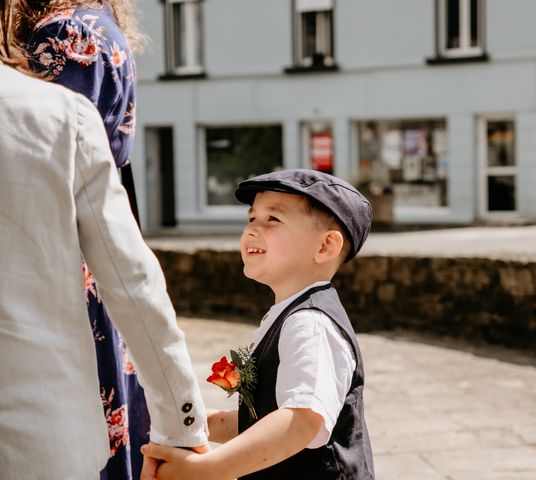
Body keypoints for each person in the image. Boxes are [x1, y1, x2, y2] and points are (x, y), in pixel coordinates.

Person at [0, 3, 208, 478]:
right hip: (41, 431)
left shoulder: (68, 36)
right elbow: (135, 284)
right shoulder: (80, 52)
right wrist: (183, 430)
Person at [142, 169, 376, 479]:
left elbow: (303, 420)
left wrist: (209, 469)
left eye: (272, 220)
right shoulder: (288, 315)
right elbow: (266, 415)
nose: (252, 230)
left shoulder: (311, 323)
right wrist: (200, 423)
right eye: (251, 219)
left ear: (325, 246)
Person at [18, 2, 148, 478]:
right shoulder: (93, 24)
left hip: (64, 251)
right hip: (87, 249)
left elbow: (36, 159)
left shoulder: (68, 35)